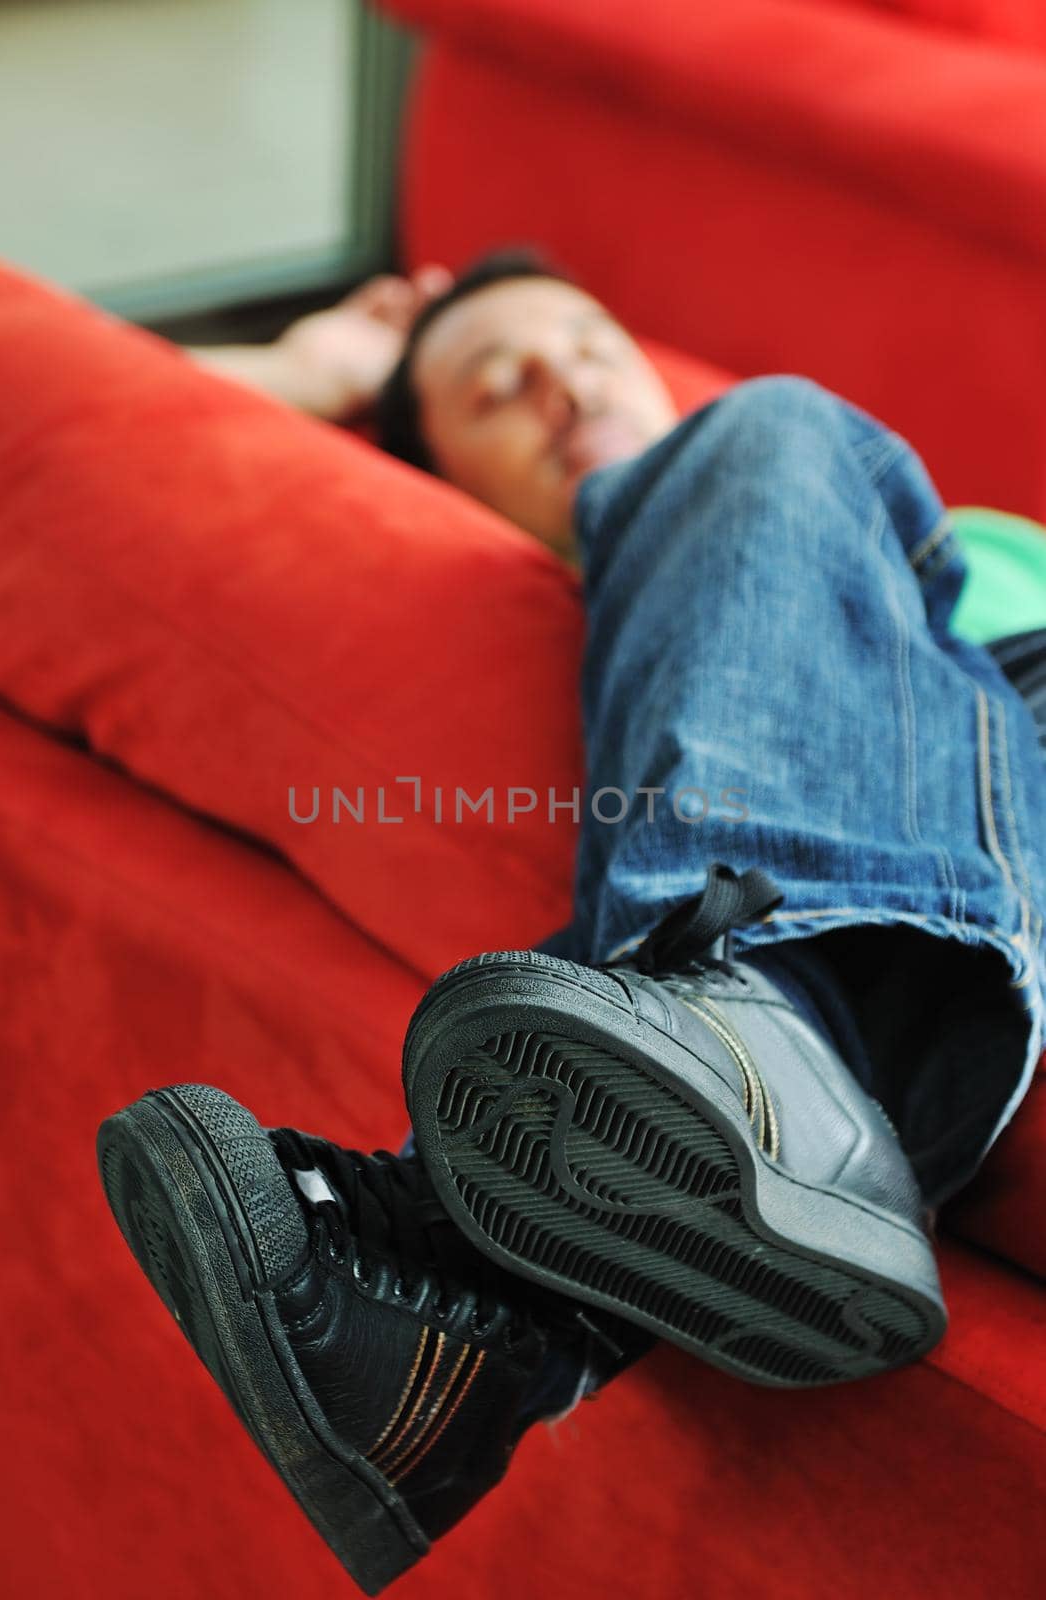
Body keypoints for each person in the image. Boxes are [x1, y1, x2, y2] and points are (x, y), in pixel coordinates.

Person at [97, 249, 1046, 1595]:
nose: (563, 376)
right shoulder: (642, 617)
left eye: (588, 338)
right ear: (447, 483)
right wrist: (312, 373)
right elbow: (85, 417)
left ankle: (460, 1313)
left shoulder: (846, 486)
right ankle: (738, 1089)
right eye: (500, 386)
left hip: (1019, 709)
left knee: (775, 426)